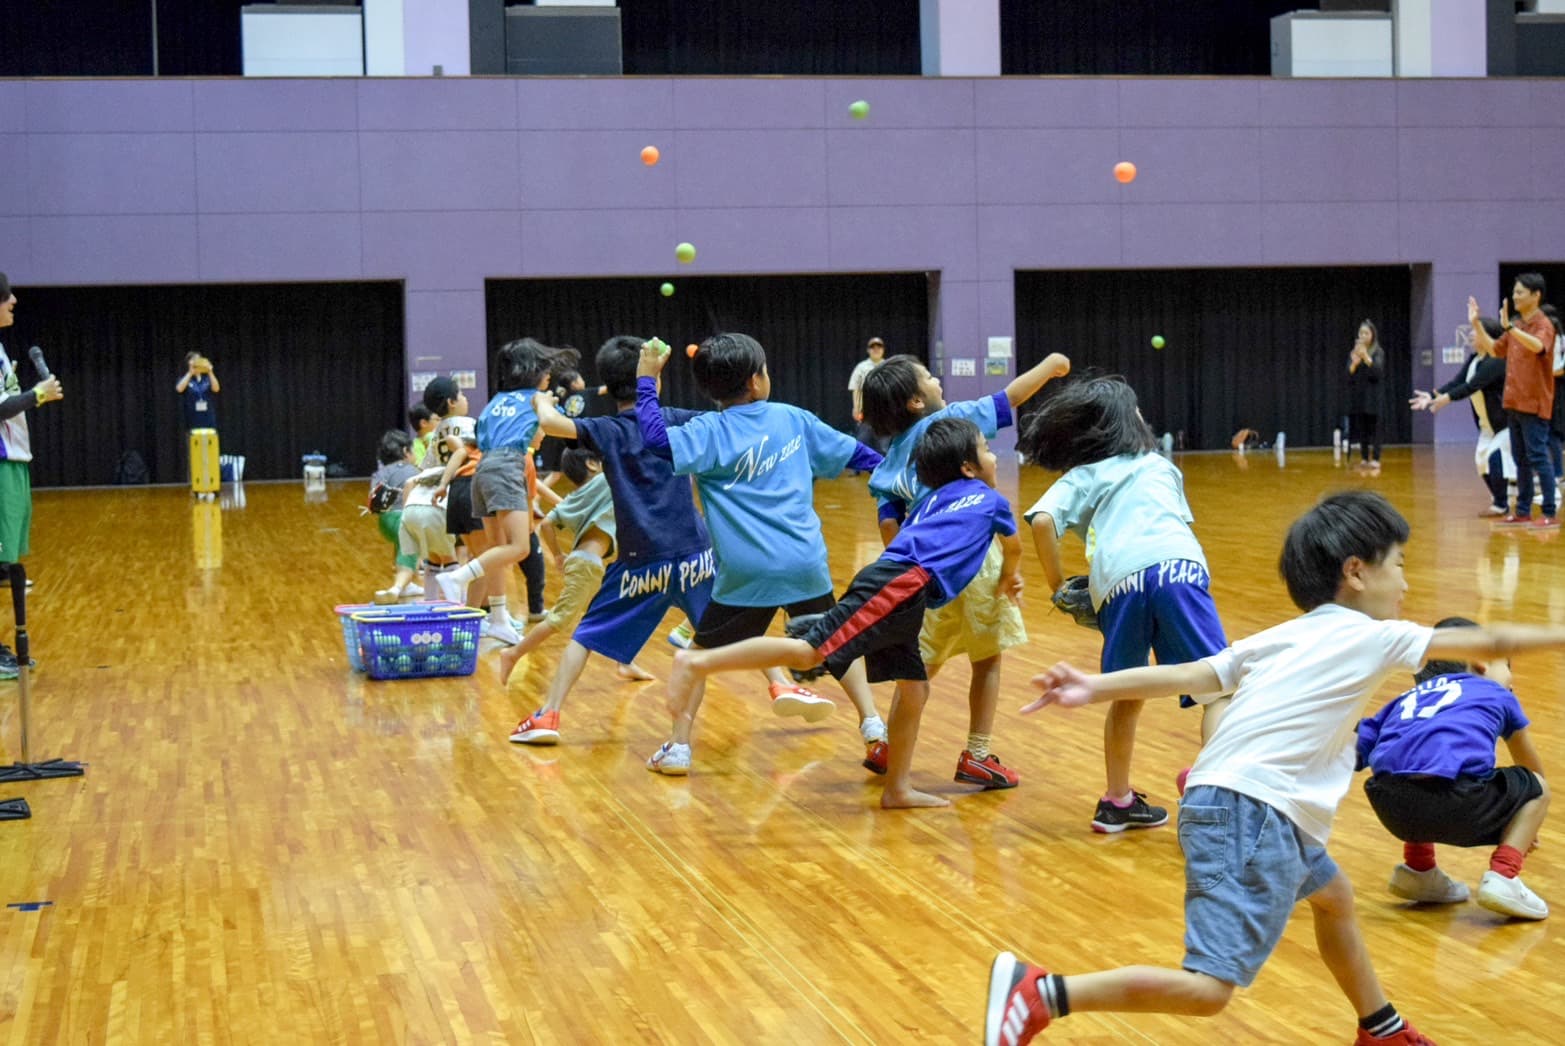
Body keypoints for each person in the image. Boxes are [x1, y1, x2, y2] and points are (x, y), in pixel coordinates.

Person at [983, 489, 1565, 1046]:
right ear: (1357, 571)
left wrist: (1094, 686)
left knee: (1334, 897)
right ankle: (1043, 993)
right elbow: (1488, 644)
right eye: (1400, 565)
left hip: (1235, 803)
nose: (1407, 581)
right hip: (1255, 814)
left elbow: (1190, 676)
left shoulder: (1279, 637)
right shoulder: (1377, 636)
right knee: (1209, 989)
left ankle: (1380, 1027)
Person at [665, 418, 1021, 808]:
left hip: (898, 585)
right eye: (986, 449)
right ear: (968, 467)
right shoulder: (992, 501)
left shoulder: (933, 498)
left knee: (915, 689)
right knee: (808, 652)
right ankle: (697, 662)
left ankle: (897, 790)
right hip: (900, 586)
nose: (993, 456)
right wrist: (1009, 578)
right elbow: (1014, 546)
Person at [635, 333, 888, 777]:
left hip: (746, 572)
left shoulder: (707, 431)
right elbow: (859, 455)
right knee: (835, 644)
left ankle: (678, 747)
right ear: (755, 382)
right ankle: (874, 728)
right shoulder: (792, 419)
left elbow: (655, 439)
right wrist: (902, 474)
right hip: (804, 562)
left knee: (699, 655)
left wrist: (647, 379)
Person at [1016, 373, 1226, 830]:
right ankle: (1208, 786)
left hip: (1114, 582)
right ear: (1128, 422)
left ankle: (1118, 800)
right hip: (1176, 567)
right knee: (1220, 687)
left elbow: (1042, 521)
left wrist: (1057, 586)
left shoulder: (1083, 473)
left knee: (1125, 692)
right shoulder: (1158, 465)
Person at [858, 349, 1069, 788]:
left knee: (917, 670)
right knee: (987, 658)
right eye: (929, 378)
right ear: (917, 401)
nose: (937, 381)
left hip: (923, 572)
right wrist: (1050, 365)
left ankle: (892, 749)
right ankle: (976, 754)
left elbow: (890, 528)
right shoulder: (950, 423)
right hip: (975, 560)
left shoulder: (887, 464)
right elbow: (1009, 397)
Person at [505, 335, 721, 747]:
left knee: (585, 635)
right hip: (695, 556)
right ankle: (768, 689)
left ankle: (548, 713)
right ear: (653, 381)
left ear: (605, 387)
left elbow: (549, 424)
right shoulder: (674, 419)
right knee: (727, 631)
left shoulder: (605, 429)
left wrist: (543, 400)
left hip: (641, 562)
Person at [1356, 616, 1549, 920]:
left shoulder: (1403, 700)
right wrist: (1528, 822)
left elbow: (1353, 748)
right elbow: (1530, 768)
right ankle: (1504, 876)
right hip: (1459, 804)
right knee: (1537, 786)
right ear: (1482, 661)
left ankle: (1419, 871)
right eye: (1507, 667)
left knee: (1414, 765)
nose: (1510, 679)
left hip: (1391, 809)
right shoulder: (1498, 694)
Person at [436, 340, 577, 646]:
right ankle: (457, 578)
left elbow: (482, 438)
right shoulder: (537, 398)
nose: (549, 375)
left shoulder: (496, 400)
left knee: (496, 549)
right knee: (520, 547)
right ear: (534, 372)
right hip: (507, 466)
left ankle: (498, 619)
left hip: (482, 470)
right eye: (546, 369)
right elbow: (553, 426)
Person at [500, 446, 652, 714]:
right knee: (559, 619)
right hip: (587, 566)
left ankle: (625, 662)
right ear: (593, 464)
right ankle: (512, 653)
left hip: (587, 563)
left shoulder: (574, 496)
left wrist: (558, 555)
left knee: (615, 612)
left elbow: (546, 523)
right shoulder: (608, 480)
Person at [0, 272, 65, 679]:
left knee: (6, 561)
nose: (13, 302)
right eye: (6, 297)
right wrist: (38, 394)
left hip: (15, 463)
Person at [1469, 275, 1557, 526]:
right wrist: (1476, 324)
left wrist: (1510, 328)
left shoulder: (1543, 325)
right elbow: (1495, 349)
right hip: (1514, 403)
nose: (1515, 296)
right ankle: (1523, 511)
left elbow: (1538, 346)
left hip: (1535, 403)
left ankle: (1549, 513)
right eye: (1515, 292)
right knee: (1521, 460)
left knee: (1538, 457)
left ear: (1535, 295)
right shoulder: (1516, 324)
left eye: (1520, 292)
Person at [422, 376, 501, 636]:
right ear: (452, 402)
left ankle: (479, 616)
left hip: (452, 498)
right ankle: (478, 618)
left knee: (479, 557)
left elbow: (427, 468)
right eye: (463, 395)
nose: (467, 399)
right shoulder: (470, 425)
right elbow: (484, 453)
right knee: (485, 559)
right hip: (471, 489)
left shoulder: (435, 435)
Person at [1410, 316, 1512, 516]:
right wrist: (1431, 396)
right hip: (1486, 424)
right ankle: (1501, 497)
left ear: (1486, 335)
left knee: (1494, 457)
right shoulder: (1475, 359)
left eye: (1475, 331)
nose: (1471, 335)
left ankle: (1502, 503)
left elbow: (1471, 386)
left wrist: (1445, 400)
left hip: (1505, 422)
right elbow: (1457, 382)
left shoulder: (1497, 360)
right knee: (1481, 461)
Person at [366, 430, 421, 601]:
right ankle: (396, 589)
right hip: (403, 518)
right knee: (411, 549)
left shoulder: (380, 473)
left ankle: (407, 585)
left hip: (385, 521)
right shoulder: (412, 470)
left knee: (401, 546)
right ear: (406, 451)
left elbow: (373, 497)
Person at [1346, 320, 1385, 474]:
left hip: (1374, 395)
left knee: (1375, 428)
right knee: (1362, 427)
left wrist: (1366, 358)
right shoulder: (1355, 351)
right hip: (1360, 395)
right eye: (1361, 333)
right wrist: (1354, 363)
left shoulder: (1378, 351)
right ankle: (1363, 457)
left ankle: (1375, 458)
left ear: (1372, 335)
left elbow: (1378, 372)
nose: (1363, 336)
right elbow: (1347, 375)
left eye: (1366, 333)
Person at [847, 336, 888, 458]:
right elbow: (856, 388)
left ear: (883, 350)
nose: (876, 350)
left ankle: (886, 466)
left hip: (885, 410)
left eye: (878, 347)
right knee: (862, 439)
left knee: (885, 442)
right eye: (873, 347)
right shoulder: (861, 367)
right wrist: (856, 407)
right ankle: (856, 468)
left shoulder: (889, 366)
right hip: (867, 409)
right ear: (868, 350)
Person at [408, 403, 438, 468]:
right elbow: (421, 470)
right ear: (424, 423)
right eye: (437, 419)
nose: (442, 422)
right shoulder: (414, 447)